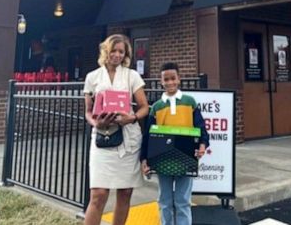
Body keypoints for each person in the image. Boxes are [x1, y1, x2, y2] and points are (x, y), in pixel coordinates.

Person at [82, 35, 149, 225]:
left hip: (128, 139)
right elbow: (88, 111)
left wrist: (133, 117)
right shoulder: (92, 77)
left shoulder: (132, 76)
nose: (117, 55)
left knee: (125, 192)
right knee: (98, 194)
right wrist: (96, 123)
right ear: (106, 51)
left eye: (121, 51)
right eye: (114, 50)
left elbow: (144, 107)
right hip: (103, 138)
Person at [140, 62, 210, 225]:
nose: (170, 82)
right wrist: (144, 159)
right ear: (161, 81)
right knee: (164, 200)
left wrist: (202, 145)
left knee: (183, 200)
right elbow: (148, 136)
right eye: (166, 79)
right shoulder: (156, 107)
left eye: (173, 78)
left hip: (186, 159)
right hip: (162, 159)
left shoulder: (190, 102)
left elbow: (200, 127)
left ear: (179, 79)